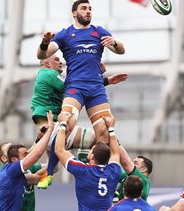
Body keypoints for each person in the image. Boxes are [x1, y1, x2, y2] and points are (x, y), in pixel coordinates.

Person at [37, 0, 125, 146]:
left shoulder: (99, 31)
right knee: (66, 124)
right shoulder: (65, 34)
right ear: (74, 13)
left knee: (104, 133)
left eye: (90, 8)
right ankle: (52, 167)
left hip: (96, 88)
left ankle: (94, 167)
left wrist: (114, 43)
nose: (88, 11)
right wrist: (44, 42)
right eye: (84, 8)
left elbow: (121, 50)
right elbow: (41, 55)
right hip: (75, 87)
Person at [31, 54, 127, 188]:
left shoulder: (46, 75)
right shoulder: (49, 74)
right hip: (53, 129)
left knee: (55, 166)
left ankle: (28, 177)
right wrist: (98, 74)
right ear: (47, 64)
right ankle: (92, 170)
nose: (60, 62)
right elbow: (74, 88)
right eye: (56, 59)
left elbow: (77, 88)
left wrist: (102, 78)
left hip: (48, 130)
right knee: (100, 138)